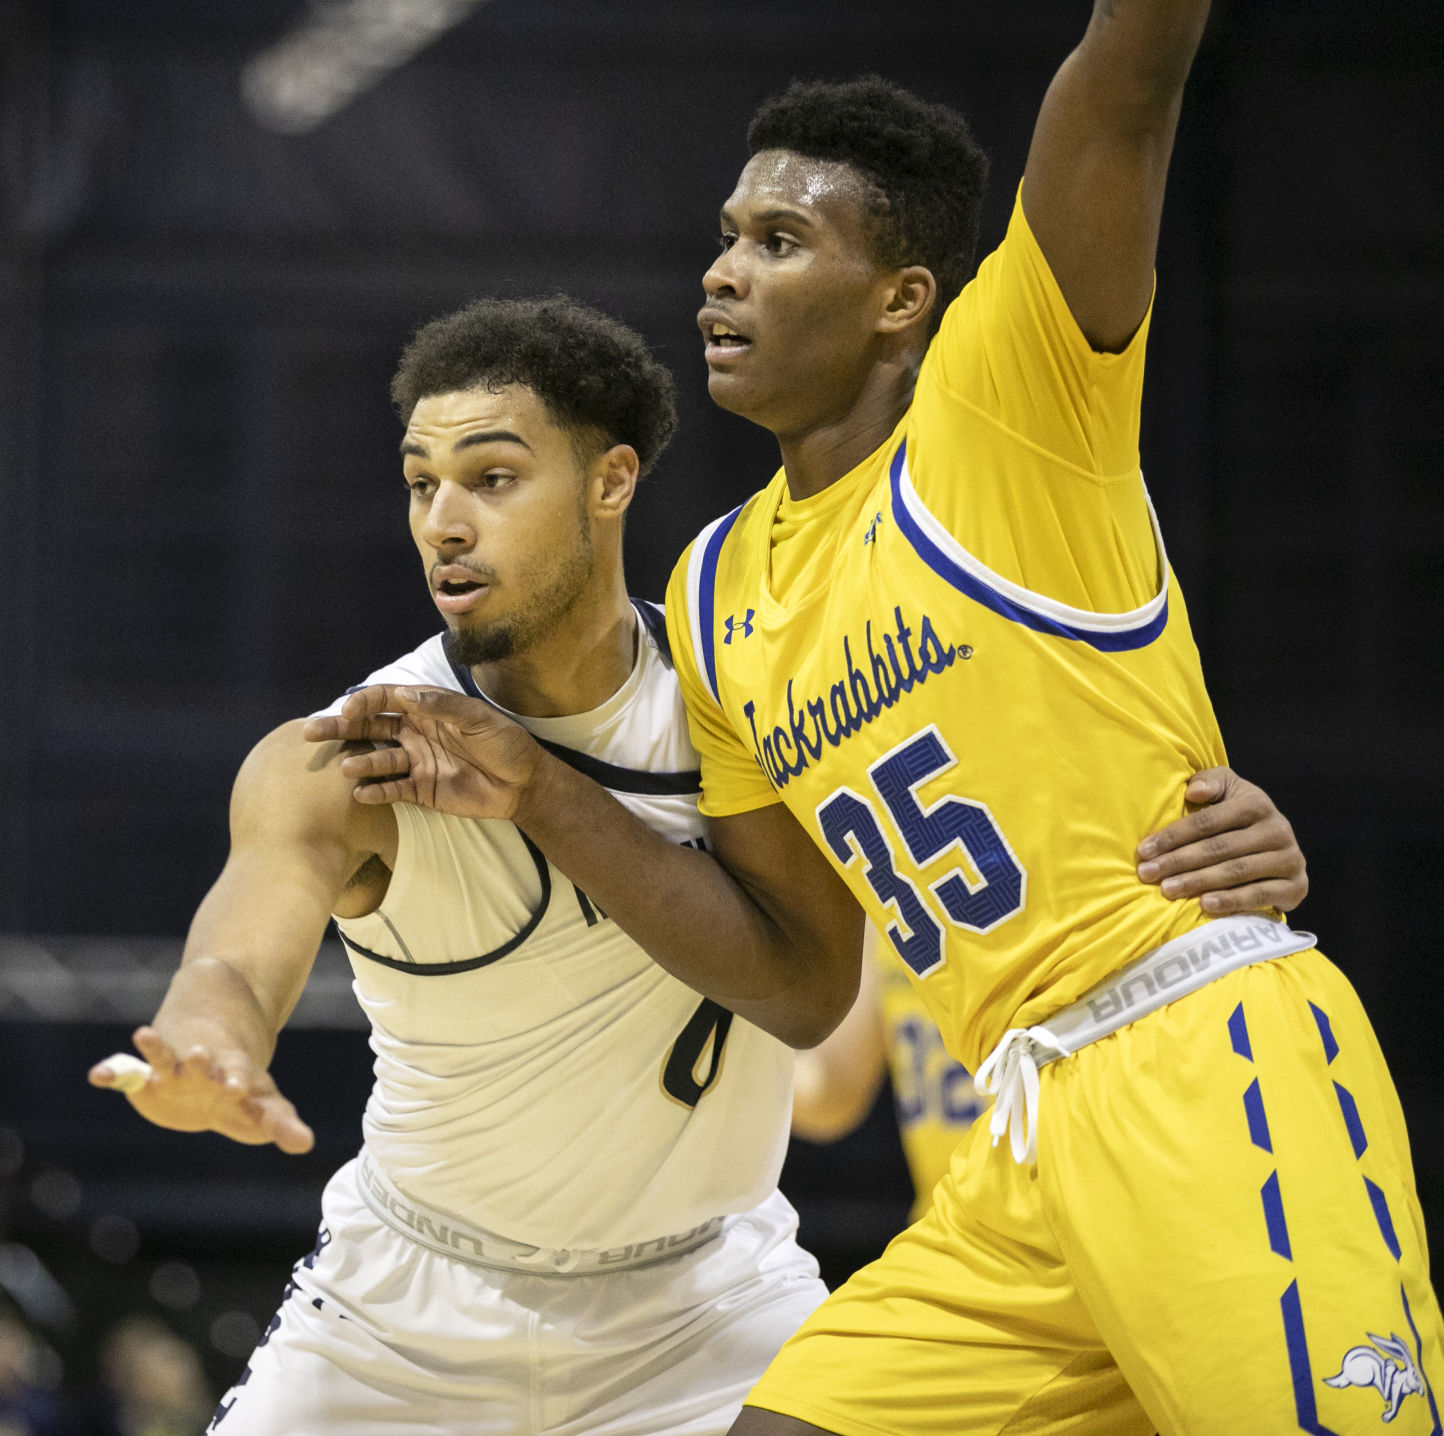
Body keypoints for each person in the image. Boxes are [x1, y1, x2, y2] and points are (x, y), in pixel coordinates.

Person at [317, 6, 1442, 1428]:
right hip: (1014, 1143)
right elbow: (794, 979)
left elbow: (1126, 87)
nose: (723, 272)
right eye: (728, 236)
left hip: (1202, 1066)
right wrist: (544, 795)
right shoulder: (720, 585)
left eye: (780, 244)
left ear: (902, 298)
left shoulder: (1008, 411)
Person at [89, 296, 837, 1436]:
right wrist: (210, 1042)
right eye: (420, 481)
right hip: (404, 1314)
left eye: (491, 478)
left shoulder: (741, 703)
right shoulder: (349, 753)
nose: (443, 519)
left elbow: (815, 984)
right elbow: (240, 945)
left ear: (610, 480)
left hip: (709, 1299)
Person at [794, 773, 1310, 1219]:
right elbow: (829, 1090)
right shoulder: (891, 867)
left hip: (1137, 1228)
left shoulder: (1116, 823)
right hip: (966, 1247)